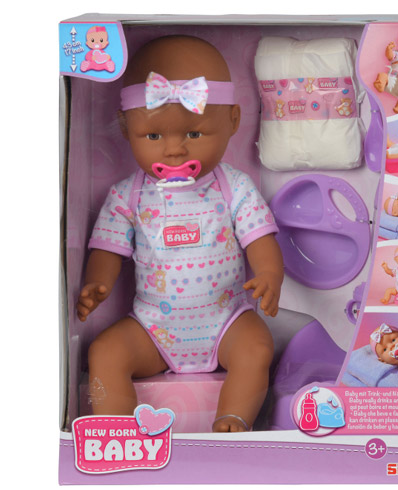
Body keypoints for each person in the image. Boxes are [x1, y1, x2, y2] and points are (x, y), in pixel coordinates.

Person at [77, 35, 284, 432]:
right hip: (153, 327)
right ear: (126, 127)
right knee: (105, 351)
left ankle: (232, 419)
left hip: (226, 322)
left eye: (193, 134)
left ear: (233, 121)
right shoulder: (127, 195)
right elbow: (108, 249)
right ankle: (119, 433)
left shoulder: (234, 187)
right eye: (154, 136)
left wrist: (269, 275)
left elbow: (260, 237)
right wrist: (96, 284)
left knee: (257, 347)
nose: (174, 150)